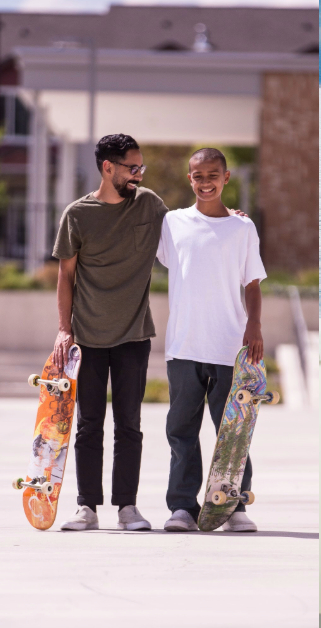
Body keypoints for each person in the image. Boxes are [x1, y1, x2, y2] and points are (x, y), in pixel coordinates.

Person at [52, 134, 163, 531]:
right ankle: (87, 507)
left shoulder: (149, 204)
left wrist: (225, 214)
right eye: (132, 168)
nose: (138, 175)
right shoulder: (77, 215)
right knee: (88, 425)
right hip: (87, 337)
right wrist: (64, 331)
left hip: (134, 335)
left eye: (141, 168)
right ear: (108, 167)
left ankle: (127, 507)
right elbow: (65, 275)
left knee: (129, 424)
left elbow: (187, 230)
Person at [157, 148, 267, 533]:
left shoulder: (242, 228)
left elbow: (252, 284)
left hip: (229, 346)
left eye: (213, 175)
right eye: (198, 176)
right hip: (184, 344)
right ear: (190, 179)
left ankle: (235, 505)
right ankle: (183, 508)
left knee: (234, 431)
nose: (206, 183)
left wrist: (254, 325)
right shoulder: (171, 223)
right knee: (182, 430)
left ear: (226, 177)